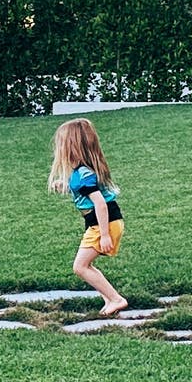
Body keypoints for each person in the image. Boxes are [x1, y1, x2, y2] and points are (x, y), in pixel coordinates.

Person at [50, 117, 129, 316]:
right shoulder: (81, 173)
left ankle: (116, 299)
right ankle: (109, 298)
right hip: (101, 222)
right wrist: (64, 186)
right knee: (85, 265)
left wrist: (104, 235)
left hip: (103, 223)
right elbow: (82, 190)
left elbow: (100, 203)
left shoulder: (84, 174)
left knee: (80, 266)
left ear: (72, 147)